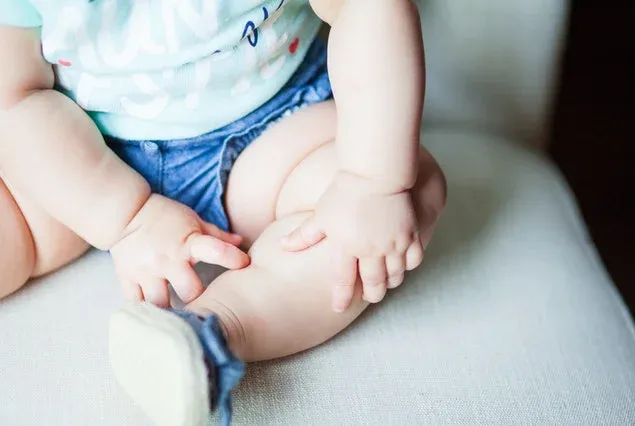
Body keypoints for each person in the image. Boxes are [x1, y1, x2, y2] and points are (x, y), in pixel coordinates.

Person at [0, 0, 446, 424]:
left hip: (274, 134)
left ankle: (212, 331)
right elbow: (15, 98)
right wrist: (125, 218)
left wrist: (371, 180)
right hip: (86, 158)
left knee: (406, 188)